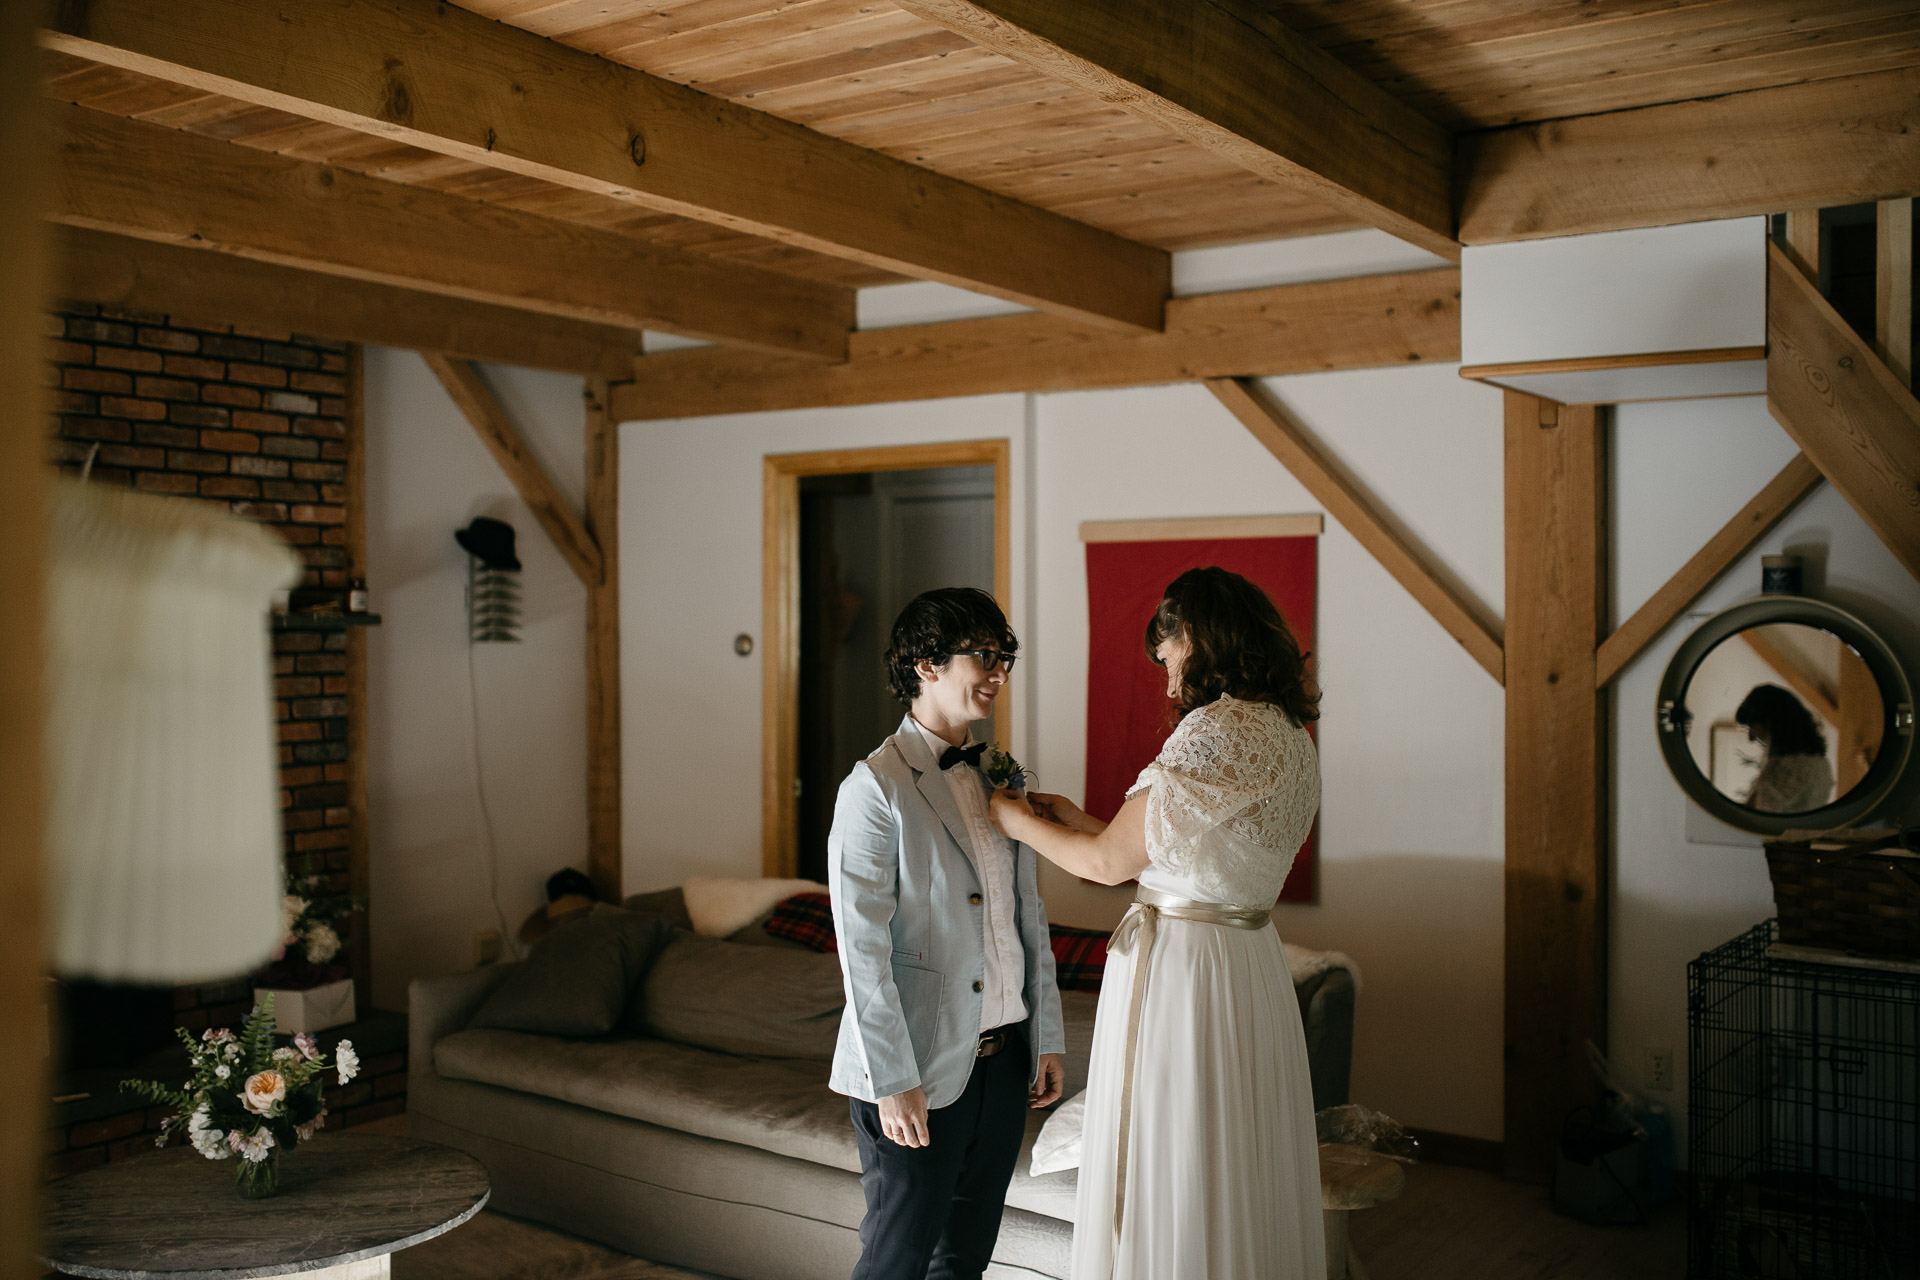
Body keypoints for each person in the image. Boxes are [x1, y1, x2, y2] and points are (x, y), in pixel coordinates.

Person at [990, 566, 1326, 1280]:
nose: (1167, 670)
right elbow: (1182, 857)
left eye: (1168, 650)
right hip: (1244, 961)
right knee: (1230, 1150)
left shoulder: (1216, 728)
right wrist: (1073, 820)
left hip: (1187, 972)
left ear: (1199, 635)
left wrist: (1010, 819)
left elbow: (1112, 864)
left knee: (1177, 1144)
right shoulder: (1289, 735)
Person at [827, 586, 1067, 1280]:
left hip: (1002, 1063)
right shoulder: (874, 787)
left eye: (1006, 659)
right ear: (926, 665)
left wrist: (1044, 1033)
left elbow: (1026, 918)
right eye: (985, 656)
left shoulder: (1001, 774)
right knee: (896, 1265)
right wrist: (892, 1078)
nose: (998, 675)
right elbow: (861, 951)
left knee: (963, 1263)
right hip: (916, 1071)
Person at [1736, 683, 1834, 813]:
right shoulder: (1821, 764)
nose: (1751, 737)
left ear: (1769, 722)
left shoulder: (1784, 768)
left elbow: (1756, 816)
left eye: (1751, 726)